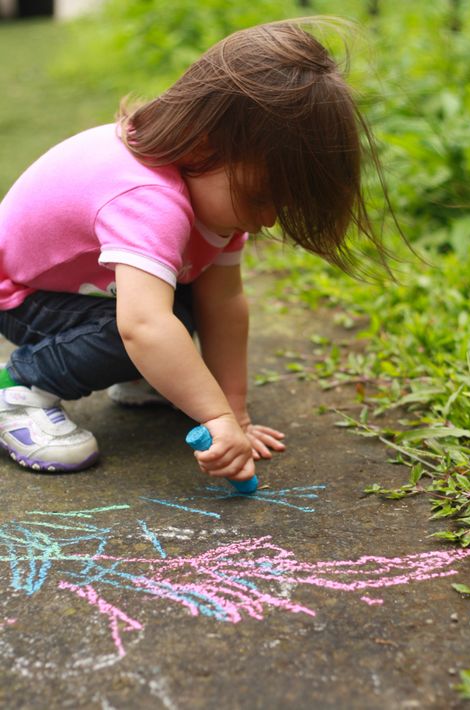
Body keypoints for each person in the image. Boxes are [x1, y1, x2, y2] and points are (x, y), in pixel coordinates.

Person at [0, 19, 391, 481]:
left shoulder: (213, 188)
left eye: (279, 206)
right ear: (205, 143)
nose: (267, 219)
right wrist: (216, 419)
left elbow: (224, 303)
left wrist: (233, 412)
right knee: (150, 328)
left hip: (78, 287)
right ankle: (20, 385)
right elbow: (142, 326)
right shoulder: (148, 198)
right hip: (19, 293)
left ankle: (142, 376)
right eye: (261, 197)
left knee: (183, 312)